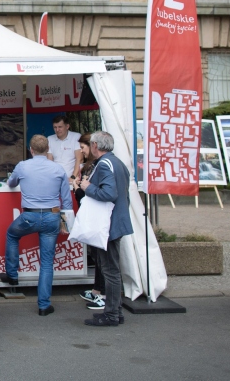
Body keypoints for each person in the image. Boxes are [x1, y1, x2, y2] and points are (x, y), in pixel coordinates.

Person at [0, 135, 71, 316]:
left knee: (12, 235)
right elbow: (67, 200)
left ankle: (12, 276)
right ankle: (44, 305)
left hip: (29, 216)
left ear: (31, 150)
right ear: (48, 150)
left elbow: (11, 183)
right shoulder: (58, 169)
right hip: (52, 216)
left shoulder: (23, 166)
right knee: (47, 263)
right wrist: (67, 223)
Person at [79, 131, 132, 327]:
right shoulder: (117, 162)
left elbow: (109, 193)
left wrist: (87, 187)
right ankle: (115, 311)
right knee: (112, 269)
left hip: (107, 224)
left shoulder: (104, 164)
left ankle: (111, 314)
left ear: (94, 146)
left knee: (109, 270)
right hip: (115, 221)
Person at [73, 133, 105, 310]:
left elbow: (87, 195)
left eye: (83, 148)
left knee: (101, 258)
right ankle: (96, 290)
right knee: (96, 255)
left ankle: (102, 293)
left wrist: (78, 188)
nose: (81, 151)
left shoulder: (98, 167)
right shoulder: (89, 166)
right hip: (91, 217)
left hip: (96, 218)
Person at [47, 115, 83, 180]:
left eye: (60, 127)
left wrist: (73, 177)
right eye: (55, 127)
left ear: (67, 126)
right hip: (55, 178)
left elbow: (79, 159)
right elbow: (49, 161)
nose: (57, 130)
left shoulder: (76, 137)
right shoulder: (50, 139)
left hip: (72, 178)